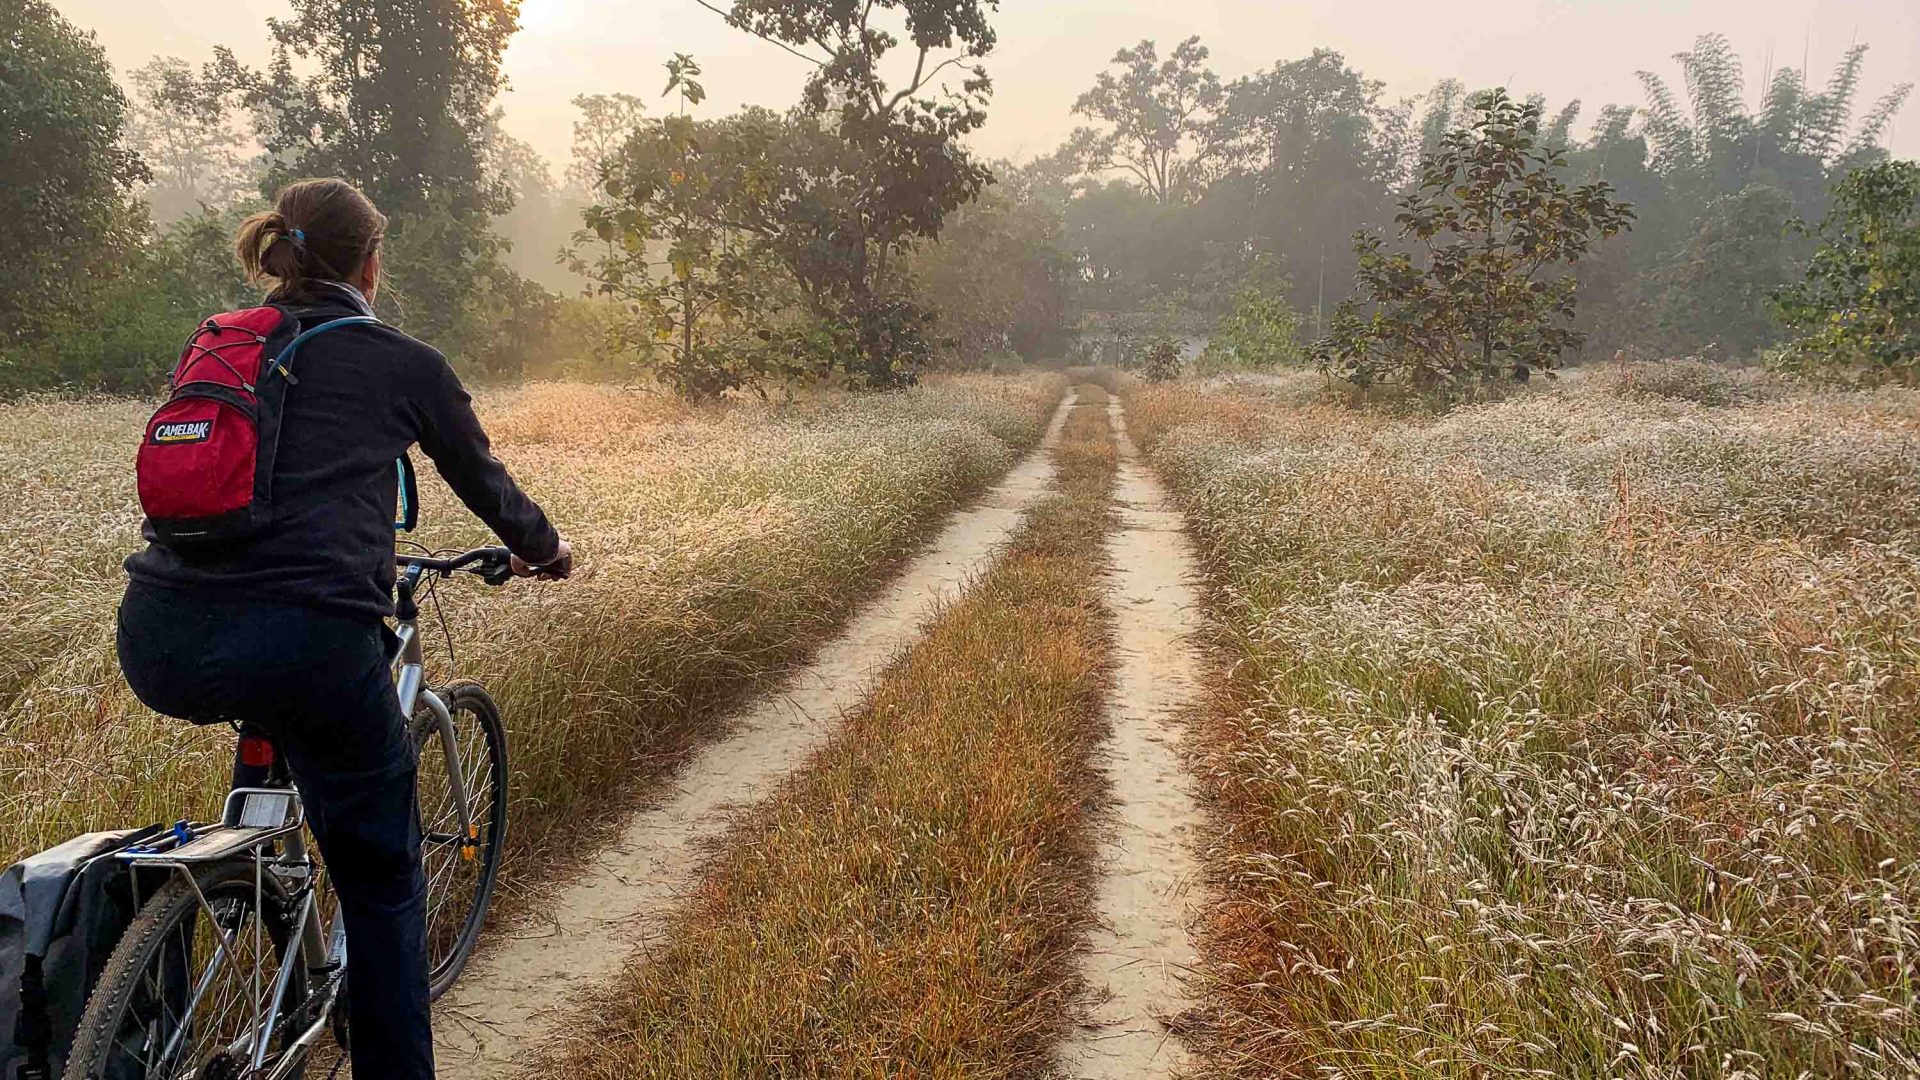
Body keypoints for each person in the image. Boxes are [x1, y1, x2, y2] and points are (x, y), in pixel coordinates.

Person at [116, 177, 571, 1080]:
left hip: (159, 634)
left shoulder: (225, 344)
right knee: (382, 879)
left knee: (282, 718)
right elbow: (483, 481)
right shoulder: (401, 362)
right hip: (308, 641)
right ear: (371, 261)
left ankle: (261, 929)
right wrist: (546, 550)